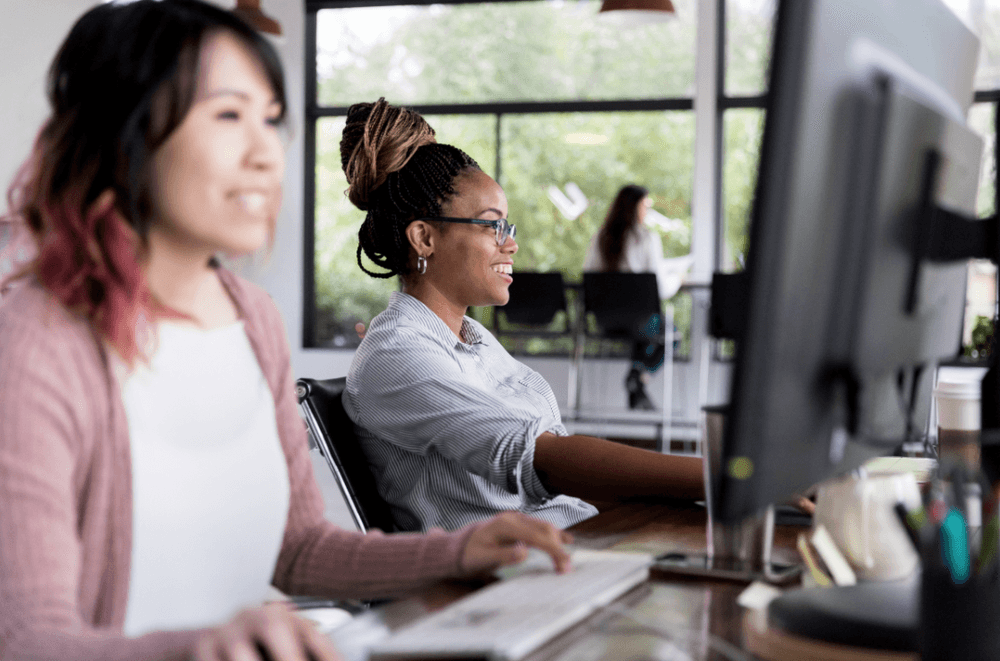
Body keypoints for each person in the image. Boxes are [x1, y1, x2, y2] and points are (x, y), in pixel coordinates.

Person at [0, 3, 573, 660]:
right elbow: (27, 638)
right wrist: (200, 645)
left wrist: (461, 548)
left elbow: (298, 546)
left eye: (270, 120)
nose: (264, 151)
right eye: (226, 115)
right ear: (126, 135)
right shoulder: (37, 341)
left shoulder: (252, 318)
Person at [339, 99, 704, 535]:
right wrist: (721, 477)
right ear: (424, 237)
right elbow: (535, 457)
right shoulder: (397, 354)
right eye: (491, 225)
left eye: (507, 227)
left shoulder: (472, 339)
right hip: (519, 575)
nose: (509, 244)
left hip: (573, 538)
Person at [583, 184, 670, 410]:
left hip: (605, 321)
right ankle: (639, 376)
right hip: (641, 322)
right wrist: (677, 280)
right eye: (646, 206)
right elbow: (658, 287)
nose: (648, 211)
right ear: (634, 208)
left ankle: (636, 381)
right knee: (671, 335)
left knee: (642, 333)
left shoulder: (600, 238)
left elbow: (588, 277)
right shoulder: (647, 238)